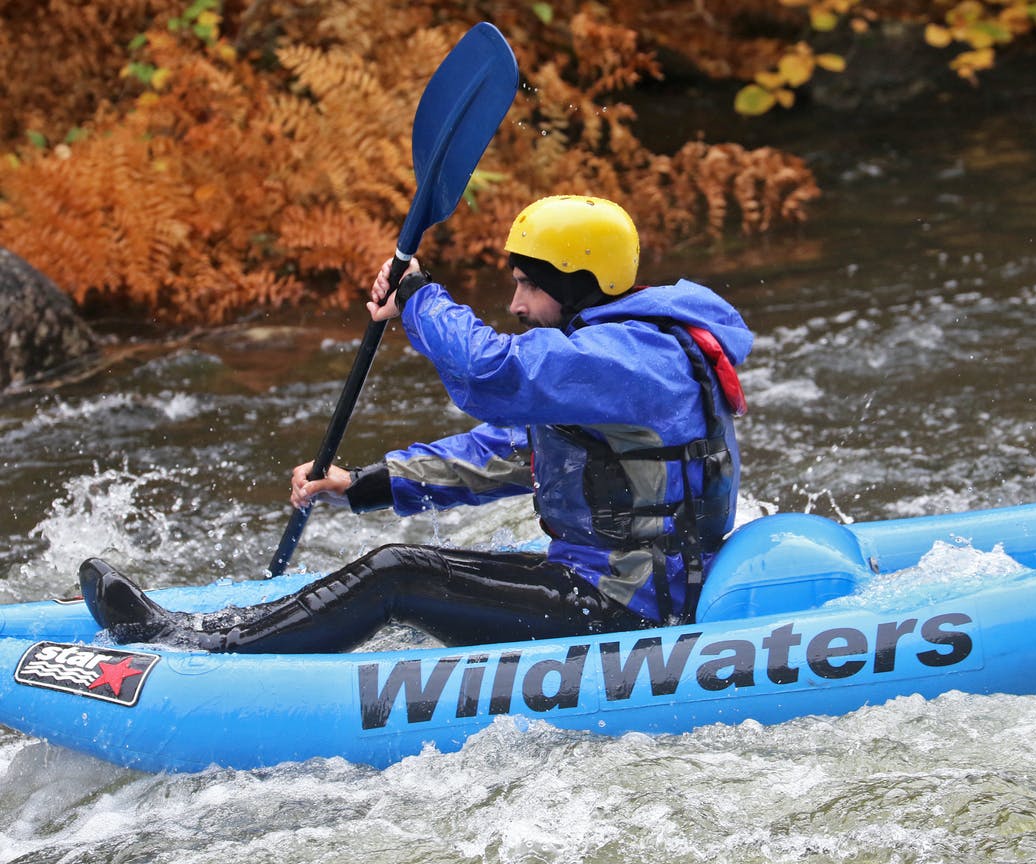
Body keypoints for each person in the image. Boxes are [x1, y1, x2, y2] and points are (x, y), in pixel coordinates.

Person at [79, 195, 753, 652]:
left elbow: (493, 374)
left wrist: (419, 299)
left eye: (528, 285)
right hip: (608, 585)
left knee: (397, 574)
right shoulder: (621, 355)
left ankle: (204, 648)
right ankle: (221, 624)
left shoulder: (634, 361)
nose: (514, 303)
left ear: (577, 284)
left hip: (627, 606)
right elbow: (509, 453)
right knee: (403, 568)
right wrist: (366, 484)